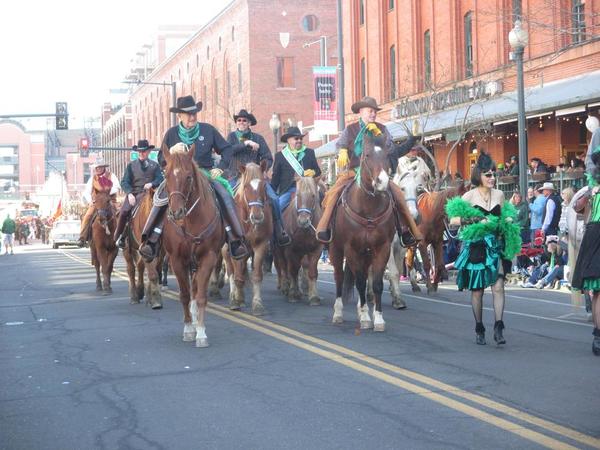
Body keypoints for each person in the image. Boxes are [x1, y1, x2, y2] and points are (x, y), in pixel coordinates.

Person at [140, 95, 248, 260]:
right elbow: (161, 158)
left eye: (194, 113)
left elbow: (227, 150)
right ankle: (150, 239)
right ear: (179, 116)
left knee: (224, 195)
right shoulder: (171, 134)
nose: (192, 117)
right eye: (187, 114)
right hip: (178, 177)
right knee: (160, 197)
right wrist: (173, 151)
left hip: (205, 174)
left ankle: (236, 239)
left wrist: (220, 168)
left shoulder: (208, 130)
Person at [315, 96, 422, 245]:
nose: (373, 114)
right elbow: (340, 144)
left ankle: (406, 231)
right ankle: (325, 227)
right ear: (361, 112)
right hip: (353, 172)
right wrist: (342, 151)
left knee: (397, 194)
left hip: (378, 173)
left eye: (374, 112)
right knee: (332, 194)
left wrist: (379, 135)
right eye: (370, 111)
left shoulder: (382, 129)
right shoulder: (350, 129)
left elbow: (392, 150)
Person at [446, 152, 521, 346]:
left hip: (495, 245)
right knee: (478, 291)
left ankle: (499, 327)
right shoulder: (469, 195)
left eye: (493, 174)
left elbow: (503, 216)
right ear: (479, 175)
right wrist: (475, 219)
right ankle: (479, 327)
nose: (492, 178)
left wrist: (507, 219)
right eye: (488, 174)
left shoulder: (500, 195)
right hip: (476, 245)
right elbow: (453, 220)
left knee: (498, 286)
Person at [224, 109, 290, 246]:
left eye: (244, 120)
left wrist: (264, 170)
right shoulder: (231, 137)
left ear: (249, 123)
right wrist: (246, 144)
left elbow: (268, 158)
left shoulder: (258, 138)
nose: (241, 122)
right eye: (239, 120)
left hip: (256, 178)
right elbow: (228, 151)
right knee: (224, 200)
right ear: (236, 123)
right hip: (236, 176)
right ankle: (225, 232)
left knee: (274, 198)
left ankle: (280, 230)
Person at [572, 135, 600, 355]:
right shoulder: (592, 189)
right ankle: (598, 335)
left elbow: (576, 207)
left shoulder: (592, 188)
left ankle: (598, 336)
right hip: (596, 233)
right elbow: (576, 207)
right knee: (598, 291)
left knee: (598, 292)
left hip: (594, 233)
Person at [113, 140, 164, 249]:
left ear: (149, 151)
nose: (141, 153)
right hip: (135, 194)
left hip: (151, 194)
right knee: (123, 212)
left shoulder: (155, 165)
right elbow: (124, 182)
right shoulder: (131, 166)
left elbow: (160, 178)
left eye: (144, 151)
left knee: (164, 211)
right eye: (140, 151)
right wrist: (129, 193)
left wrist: (152, 183)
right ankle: (120, 236)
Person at [270, 126, 321, 212]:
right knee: (277, 209)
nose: (299, 140)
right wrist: (272, 193)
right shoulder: (280, 156)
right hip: (289, 190)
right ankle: (277, 225)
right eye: (296, 138)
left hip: (308, 188)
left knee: (324, 202)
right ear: (288, 140)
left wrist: (313, 172)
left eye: (301, 138)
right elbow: (276, 178)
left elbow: (318, 171)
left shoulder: (309, 152)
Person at [78, 160, 120, 246]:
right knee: (88, 216)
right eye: (96, 168)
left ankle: (122, 236)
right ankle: (82, 237)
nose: (97, 169)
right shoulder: (92, 179)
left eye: (99, 167)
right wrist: (91, 201)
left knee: (120, 214)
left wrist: (107, 193)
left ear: (104, 167)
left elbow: (117, 187)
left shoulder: (112, 176)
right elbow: (86, 192)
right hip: (97, 203)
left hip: (110, 201)